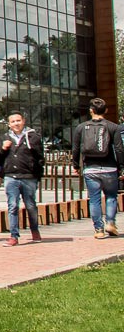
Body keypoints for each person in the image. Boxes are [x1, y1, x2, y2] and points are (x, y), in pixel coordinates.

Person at [72, 97, 119, 239]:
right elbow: (119, 149)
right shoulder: (113, 127)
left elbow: (75, 149)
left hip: (90, 169)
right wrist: (121, 167)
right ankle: (110, 222)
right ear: (106, 110)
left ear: (91, 111)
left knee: (94, 199)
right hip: (110, 168)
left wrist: (76, 165)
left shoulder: (81, 127)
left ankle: (99, 229)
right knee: (111, 196)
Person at [0, 111, 44, 246]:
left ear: (23, 121)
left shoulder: (33, 136)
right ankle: (14, 236)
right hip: (11, 176)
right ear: (9, 124)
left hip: (28, 176)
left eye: (18, 120)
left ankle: (35, 230)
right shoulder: (5, 137)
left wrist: (37, 173)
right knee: (12, 205)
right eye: (13, 121)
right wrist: (3, 149)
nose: (16, 123)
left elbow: (40, 156)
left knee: (30, 205)